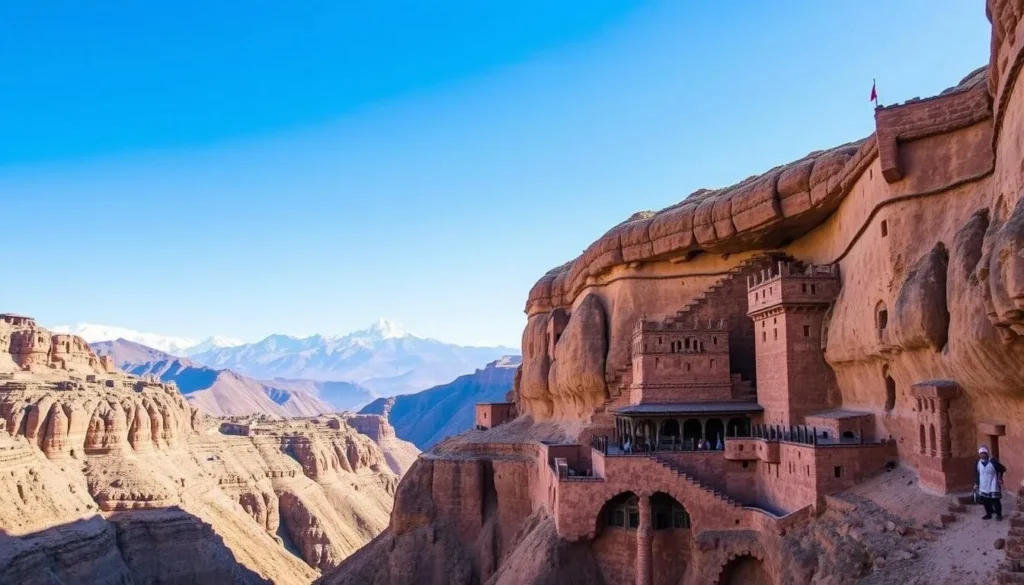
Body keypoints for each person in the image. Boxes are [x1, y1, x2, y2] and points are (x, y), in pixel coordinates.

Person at [975, 446, 1007, 521]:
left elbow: (1002, 469)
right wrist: (976, 483)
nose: (982, 455)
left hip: (993, 483)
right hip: (983, 484)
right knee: (985, 500)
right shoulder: (978, 463)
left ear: (987, 454)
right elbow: (976, 473)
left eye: (984, 453)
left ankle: (999, 515)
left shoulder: (993, 461)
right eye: (981, 454)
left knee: (995, 500)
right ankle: (989, 514)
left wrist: (1000, 478)